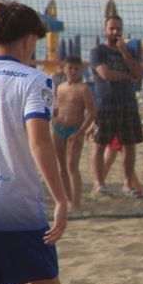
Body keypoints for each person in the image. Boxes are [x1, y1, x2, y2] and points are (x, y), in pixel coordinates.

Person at [0, 0, 68, 284]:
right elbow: (40, 141)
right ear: (30, 39)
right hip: (14, 203)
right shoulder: (35, 80)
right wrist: (61, 199)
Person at [89, 14, 143, 197]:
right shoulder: (98, 51)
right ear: (105, 29)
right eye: (112, 28)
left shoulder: (129, 51)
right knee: (99, 144)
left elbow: (137, 73)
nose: (115, 32)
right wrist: (127, 76)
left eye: (118, 29)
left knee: (130, 145)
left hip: (127, 103)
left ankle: (128, 184)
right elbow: (105, 74)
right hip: (105, 104)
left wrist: (125, 53)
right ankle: (99, 183)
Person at [52, 55, 96, 210]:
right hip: (58, 129)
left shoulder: (84, 89)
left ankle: (76, 204)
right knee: (61, 167)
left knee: (72, 166)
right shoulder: (60, 87)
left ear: (81, 70)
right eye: (70, 67)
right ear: (64, 69)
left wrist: (80, 133)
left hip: (75, 130)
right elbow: (57, 108)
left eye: (76, 68)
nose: (73, 71)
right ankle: (68, 201)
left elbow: (92, 113)